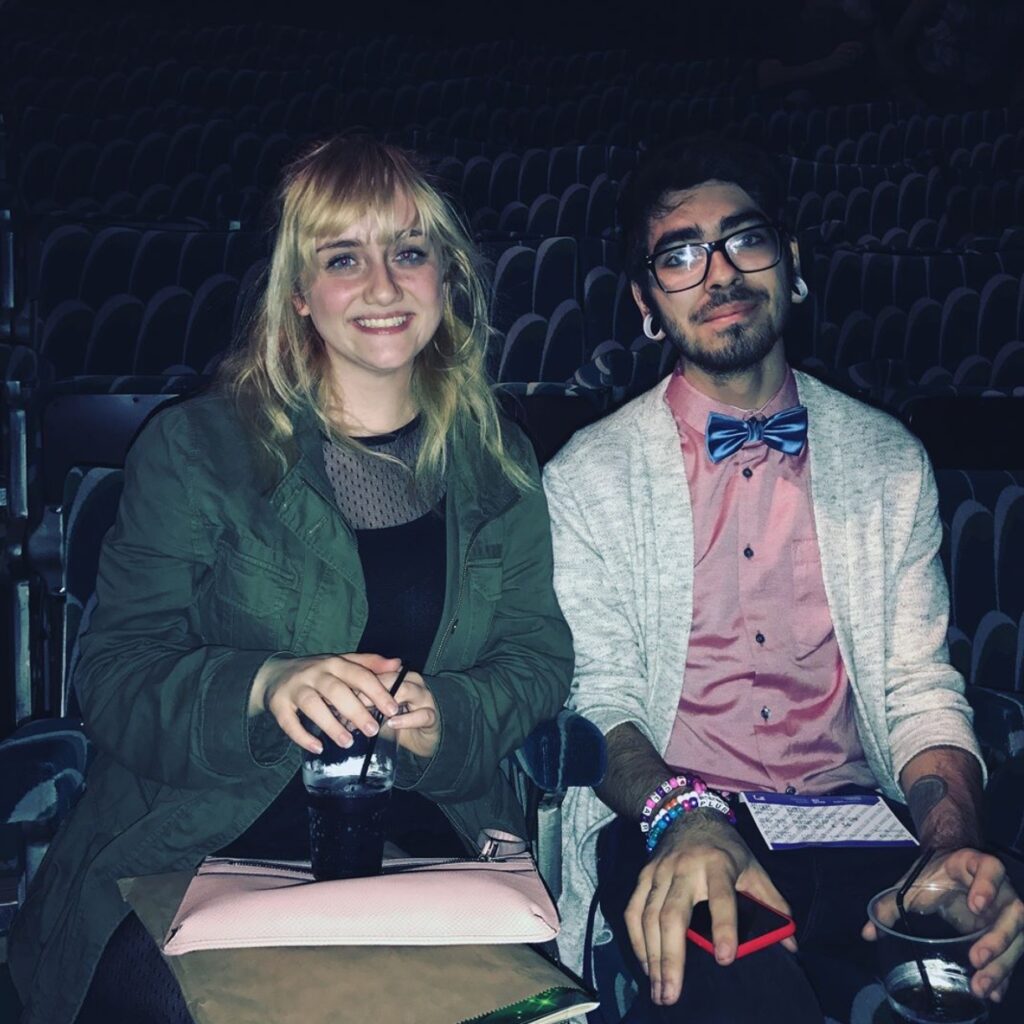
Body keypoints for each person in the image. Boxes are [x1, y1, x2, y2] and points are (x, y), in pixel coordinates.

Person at [9, 135, 574, 1024]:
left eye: (409, 252)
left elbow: (538, 656)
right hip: (196, 841)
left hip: (427, 834)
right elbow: (114, 677)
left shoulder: (498, 463)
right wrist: (262, 684)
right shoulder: (195, 450)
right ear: (300, 294)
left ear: (446, 278)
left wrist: (449, 716)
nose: (384, 285)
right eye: (344, 258)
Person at [543, 136, 1024, 1023]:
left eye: (744, 239)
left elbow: (921, 692)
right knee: (739, 993)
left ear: (791, 264)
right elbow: (599, 700)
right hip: (679, 828)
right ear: (649, 305)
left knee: (992, 975)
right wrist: (682, 816)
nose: (719, 271)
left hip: (860, 826)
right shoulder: (590, 477)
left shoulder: (888, 460)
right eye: (680, 255)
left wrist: (948, 845)